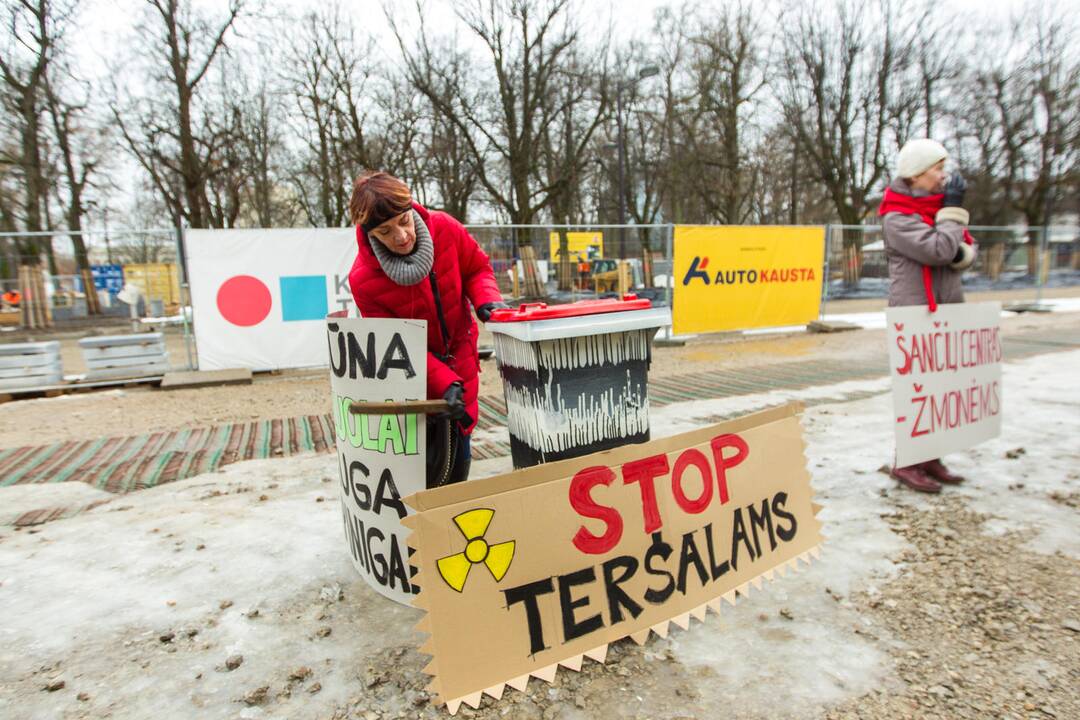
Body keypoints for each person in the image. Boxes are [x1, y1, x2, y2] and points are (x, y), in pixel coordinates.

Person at [347, 171, 508, 488]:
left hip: (462, 361)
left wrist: (488, 299)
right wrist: (441, 381)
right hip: (415, 382)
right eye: (385, 231)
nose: (402, 236)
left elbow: (477, 268)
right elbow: (397, 345)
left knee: (459, 463)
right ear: (369, 234)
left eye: (404, 221)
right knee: (424, 476)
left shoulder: (445, 228)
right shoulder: (363, 280)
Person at [879, 138, 976, 493]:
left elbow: (965, 247)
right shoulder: (898, 217)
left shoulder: (934, 211)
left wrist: (953, 239)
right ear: (917, 173)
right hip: (916, 313)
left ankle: (930, 457)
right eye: (937, 168)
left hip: (945, 310)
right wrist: (951, 219)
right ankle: (906, 461)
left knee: (940, 390)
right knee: (916, 391)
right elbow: (940, 249)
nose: (943, 176)